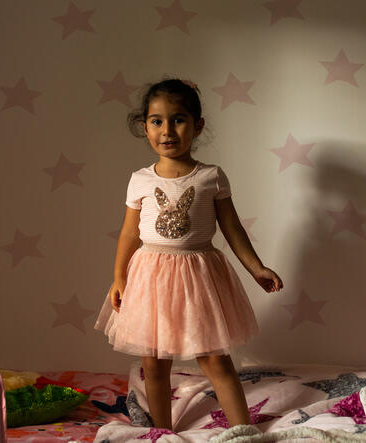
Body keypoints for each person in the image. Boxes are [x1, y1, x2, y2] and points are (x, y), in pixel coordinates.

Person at [94, 78, 283, 430]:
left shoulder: (210, 176)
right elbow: (128, 233)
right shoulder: (140, 179)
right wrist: (119, 278)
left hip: (198, 276)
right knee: (153, 363)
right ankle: (163, 432)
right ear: (144, 126)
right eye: (156, 121)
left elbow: (232, 228)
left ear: (198, 126)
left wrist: (256, 268)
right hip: (150, 276)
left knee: (215, 359)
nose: (167, 130)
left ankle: (243, 431)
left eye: (178, 119)